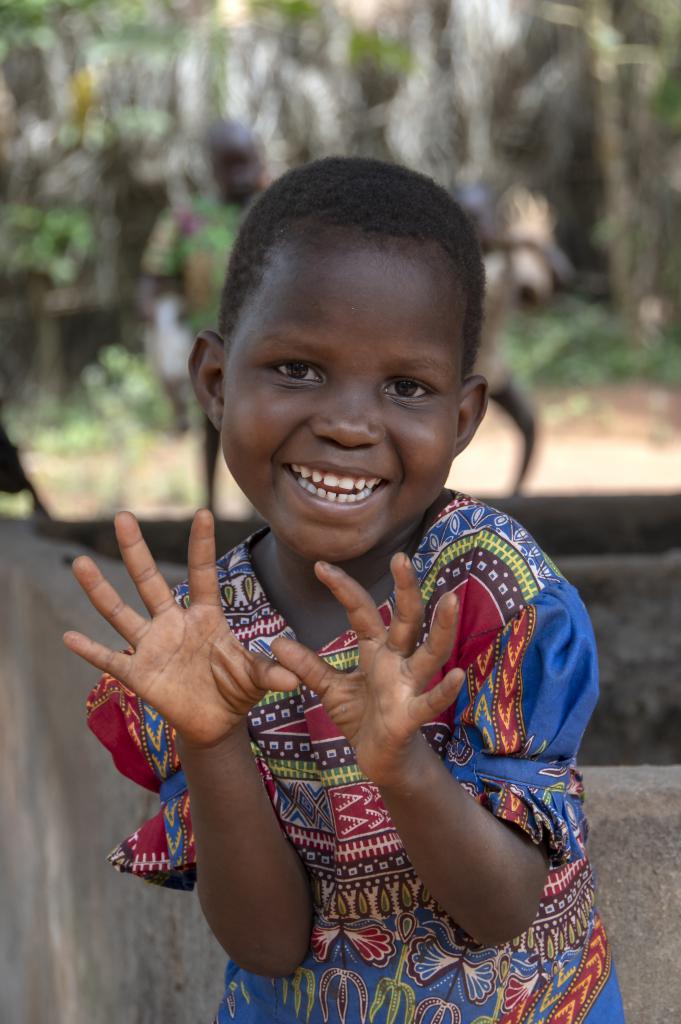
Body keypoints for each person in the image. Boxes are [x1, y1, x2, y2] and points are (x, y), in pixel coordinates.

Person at [64, 158, 623, 1023]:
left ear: (463, 418)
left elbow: (500, 909)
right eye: (297, 369)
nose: (349, 423)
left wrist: (402, 769)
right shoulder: (209, 638)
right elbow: (266, 944)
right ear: (214, 382)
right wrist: (210, 738)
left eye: (406, 387)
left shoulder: (493, 598)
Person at [138, 118, 266, 504]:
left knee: (264, 420)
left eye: (246, 161)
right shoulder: (184, 218)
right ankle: (209, 504)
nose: (240, 173)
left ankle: (262, 506)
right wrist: (151, 314)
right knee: (213, 419)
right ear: (212, 166)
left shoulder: (278, 209)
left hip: (269, 339)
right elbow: (154, 273)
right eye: (230, 163)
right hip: (212, 338)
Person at [455, 183, 573, 494]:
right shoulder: (453, 263)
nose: (477, 227)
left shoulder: (504, 265)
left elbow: (556, 280)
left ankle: (518, 496)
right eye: (470, 218)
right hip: (452, 371)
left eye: (480, 219)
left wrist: (532, 244)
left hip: (490, 366)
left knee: (528, 424)